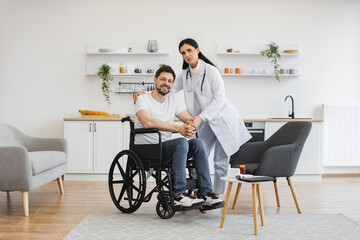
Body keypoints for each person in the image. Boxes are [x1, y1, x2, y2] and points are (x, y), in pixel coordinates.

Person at [170, 38, 252, 195]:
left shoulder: (211, 71)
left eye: (189, 50)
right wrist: (147, 96)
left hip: (223, 119)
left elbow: (220, 99)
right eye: (183, 52)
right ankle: (195, 190)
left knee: (220, 162)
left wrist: (201, 117)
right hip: (205, 122)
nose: (186, 54)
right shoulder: (185, 75)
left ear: (197, 50)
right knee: (197, 156)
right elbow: (169, 90)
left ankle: (217, 195)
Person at [134, 65, 223, 208]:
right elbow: (147, 122)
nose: (166, 83)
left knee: (198, 143)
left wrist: (191, 125)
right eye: (163, 79)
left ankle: (206, 193)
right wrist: (178, 129)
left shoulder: (172, 100)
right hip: (147, 149)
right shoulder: (143, 99)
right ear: (155, 80)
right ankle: (178, 194)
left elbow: (188, 118)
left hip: (164, 148)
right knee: (181, 142)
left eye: (170, 81)